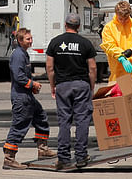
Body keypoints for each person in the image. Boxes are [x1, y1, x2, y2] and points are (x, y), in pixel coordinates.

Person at [46, 13, 97, 169]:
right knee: (82, 121)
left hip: (63, 86)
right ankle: (81, 157)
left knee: (64, 121)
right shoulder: (86, 43)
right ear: (79, 26)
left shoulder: (55, 42)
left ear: (65, 24)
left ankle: (63, 158)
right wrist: (91, 86)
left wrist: (52, 85)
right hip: (81, 85)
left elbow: (49, 67)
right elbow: (93, 67)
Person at [1, 28, 56, 170]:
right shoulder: (18, 55)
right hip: (21, 98)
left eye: (31, 38)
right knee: (19, 125)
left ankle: (42, 149)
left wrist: (31, 88)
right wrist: (33, 84)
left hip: (27, 95)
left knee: (41, 117)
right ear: (20, 41)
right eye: (27, 39)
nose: (30, 41)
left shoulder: (24, 54)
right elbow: (18, 76)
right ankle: (9, 158)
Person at [99, 0, 132, 122]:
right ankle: (125, 135)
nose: (122, 21)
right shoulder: (109, 28)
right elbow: (109, 46)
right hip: (118, 75)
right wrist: (121, 57)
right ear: (116, 14)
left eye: (125, 18)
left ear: (129, 14)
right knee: (118, 108)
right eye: (120, 18)